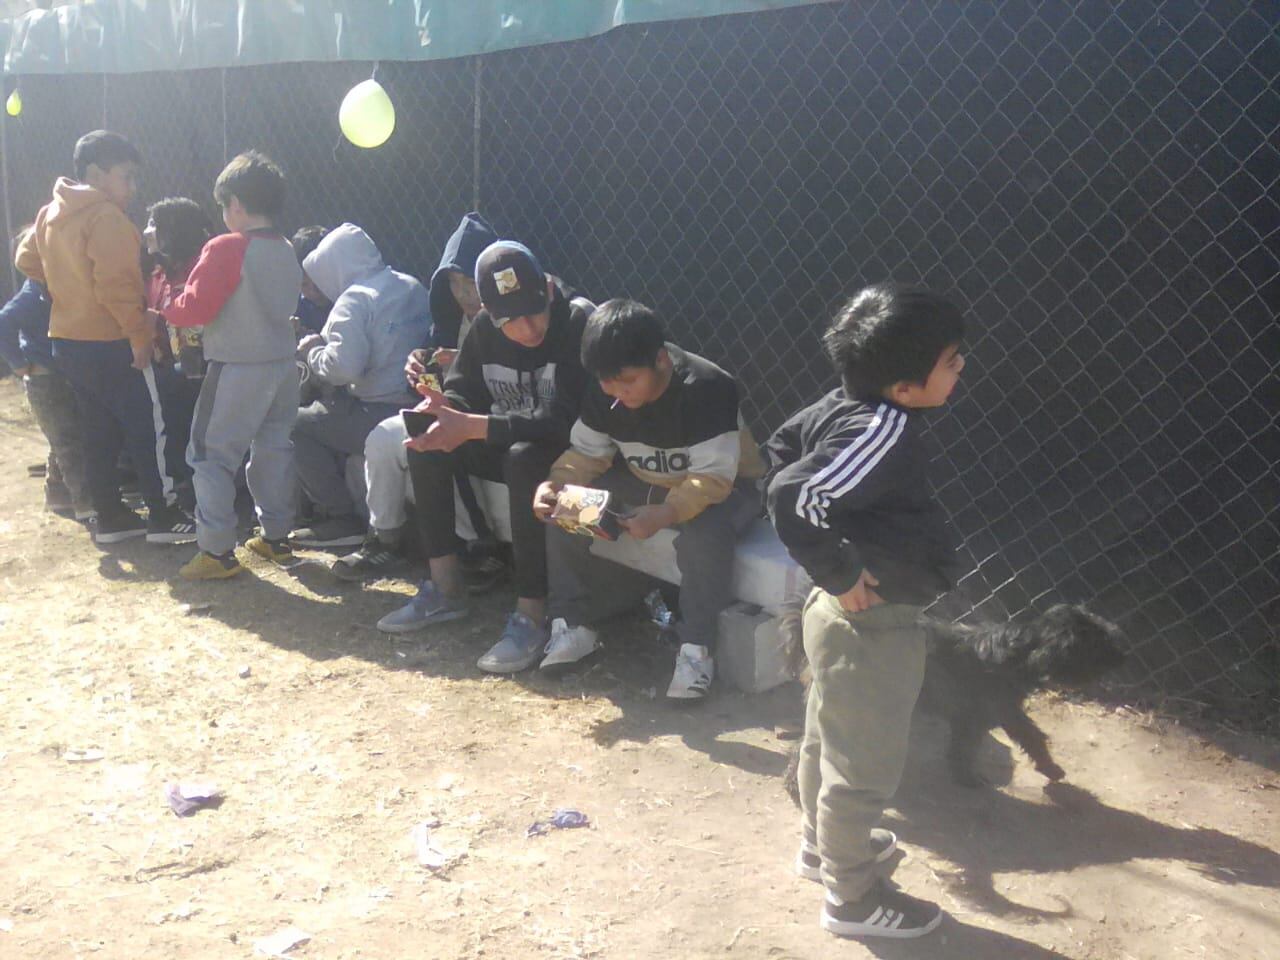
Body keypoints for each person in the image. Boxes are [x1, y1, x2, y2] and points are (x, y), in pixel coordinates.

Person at [764, 283, 966, 939]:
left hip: (839, 618)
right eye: (952, 360)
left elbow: (782, 447)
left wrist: (835, 560)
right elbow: (794, 493)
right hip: (872, 623)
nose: (962, 368)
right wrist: (842, 567)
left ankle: (822, 850)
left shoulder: (842, 406)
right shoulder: (885, 428)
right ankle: (851, 900)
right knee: (864, 765)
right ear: (906, 387)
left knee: (829, 737)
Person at [376, 241, 593, 677]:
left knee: (524, 459)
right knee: (427, 442)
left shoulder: (579, 322)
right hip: (510, 436)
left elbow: (566, 419)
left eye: (534, 311)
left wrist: (475, 426)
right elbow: (465, 391)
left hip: (574, 455)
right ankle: (445, 588)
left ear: (549, 289)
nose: (528, 329)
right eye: (510, 320)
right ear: (489, 315)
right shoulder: (483, 331)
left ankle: (532, 615)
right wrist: (443, 407)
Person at [533, 299, 764, 696]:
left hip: (728, 489)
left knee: (705, 533)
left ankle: (696, 650)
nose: (617, 393)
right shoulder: (605, 388)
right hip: (649, 483)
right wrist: (554, 484)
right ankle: (572, 626)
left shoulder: (708, 387)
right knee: (566, 506)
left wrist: (665, 512)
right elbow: (588, 454)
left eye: (628, 381)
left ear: (660, 360)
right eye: (608, 382)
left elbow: (712, 480)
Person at [14, 129, 192, 544]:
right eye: (127, 176)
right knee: (148, 423)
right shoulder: (108, 217)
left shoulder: (49, 213)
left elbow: (27, 260)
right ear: (97, 173)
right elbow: (116, 286)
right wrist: (139, 335)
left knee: (97, 429)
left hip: (67, 342)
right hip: (113, 341)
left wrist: (67, 286)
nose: (133, 187)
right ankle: (163, 516)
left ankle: (110, 517)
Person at [158, 150, 302, 580]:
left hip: (238, 366)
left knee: (209, 455)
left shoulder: (227, 245)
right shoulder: (286, 246)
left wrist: (165, 305)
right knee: (274, 448)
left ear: (236, 203)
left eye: (224, 205)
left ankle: (217, 551)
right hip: (282, 365)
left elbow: (195, 308)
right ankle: (276, 537)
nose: (223, 214)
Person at [331, 211, 496, 581]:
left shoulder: (510, 313)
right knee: (384, 438)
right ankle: (385, 540)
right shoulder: (453, 317)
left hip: (495, 420)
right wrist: (419, 364)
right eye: (455, 282)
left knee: (435, 439)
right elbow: (435, 368)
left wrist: (467, 366)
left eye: (472, 281)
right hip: (450, 412)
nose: (465, 293)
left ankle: (480, 550)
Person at [289, 223, 430, 547]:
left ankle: (341, 518)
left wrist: (312, 352)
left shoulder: (353, 300)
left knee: (294, 424)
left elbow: (343, 368)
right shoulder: (410, 285)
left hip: (376, 409)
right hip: (417, 401)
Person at [0, 257, 91, 519]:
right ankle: (86, 504)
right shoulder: (34, 291)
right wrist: (18, 363)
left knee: (63, 436)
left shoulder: (54, 286)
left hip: (60, 374)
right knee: (67, 441)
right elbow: (4, 322)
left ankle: (58, 492)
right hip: (45, 377)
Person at [143, 197, 216, 485]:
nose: (147, 230)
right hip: (170, 366)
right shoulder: (158, 272)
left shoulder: (202, 269)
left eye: (153, 225)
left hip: (201, 368)